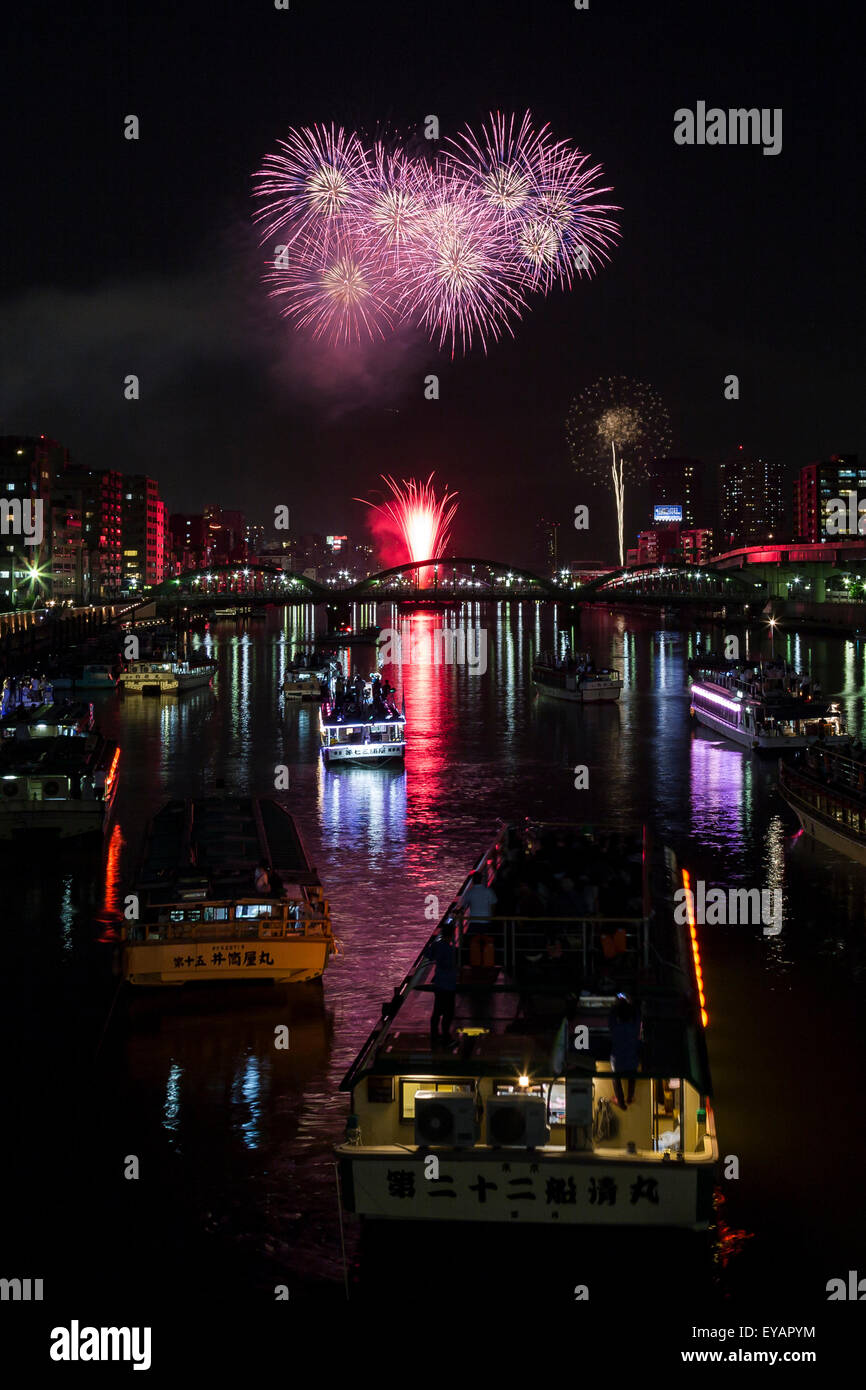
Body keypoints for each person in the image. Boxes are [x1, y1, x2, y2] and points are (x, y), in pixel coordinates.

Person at [424, 922, 458, 1047]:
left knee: (437, 1011)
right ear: (452, 935)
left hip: (439, 984)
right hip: (448, 985)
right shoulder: (449, 950)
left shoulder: (437, 945)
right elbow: (448, 965)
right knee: (448, 1013)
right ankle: (445, 1037)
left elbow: (428, 954)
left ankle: (434, 1035)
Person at [609, 997, 642, 1109]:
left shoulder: (615, 1028)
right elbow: (638, 1015)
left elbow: (611, 1017)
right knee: (632, 1076)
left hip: (618, 1062)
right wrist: (632, 1004)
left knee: (615, 1077)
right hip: (632, 1061)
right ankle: (630, 1097)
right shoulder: (634, 1028)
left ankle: (621, 1101)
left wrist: (615, 1005)